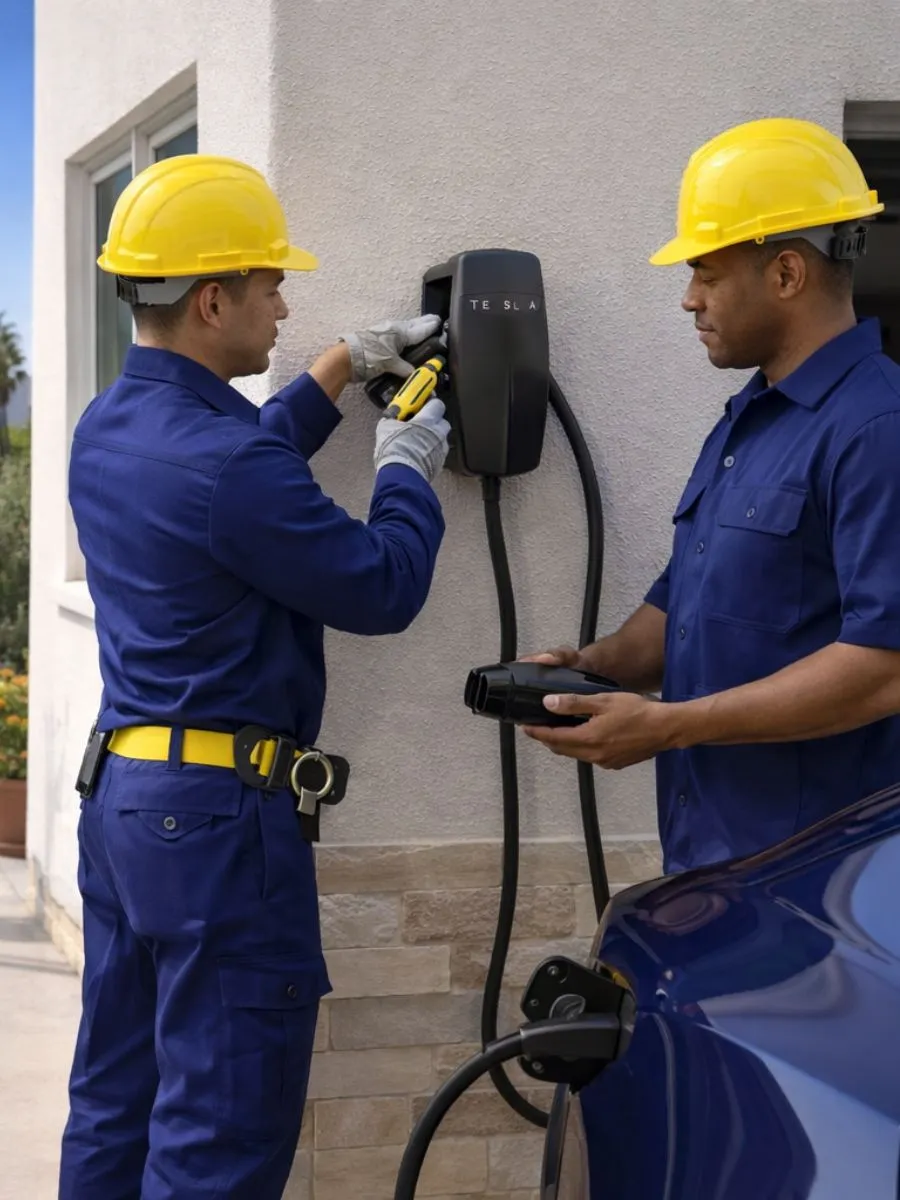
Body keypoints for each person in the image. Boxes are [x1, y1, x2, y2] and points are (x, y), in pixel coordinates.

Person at [58, 153, 450, 1199]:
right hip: (221, 833)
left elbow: (234, 487)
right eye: (269, 283)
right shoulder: (227, 464)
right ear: (211, 298)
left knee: (116, 1105)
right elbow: (379, 587)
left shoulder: (109, 429)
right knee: (216, 1140)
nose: (284, 302)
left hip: (128, 806)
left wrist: (335, 370)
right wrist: (408, 461)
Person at [523, 117, 900, 875]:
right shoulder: (750, 422)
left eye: (708, 272)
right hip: (713, 866)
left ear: (787, 274)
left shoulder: (876, 428)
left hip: (823, 884)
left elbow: (885, 664)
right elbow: (687, 606)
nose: (690, 300)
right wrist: (593, 669)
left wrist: (669, 726)